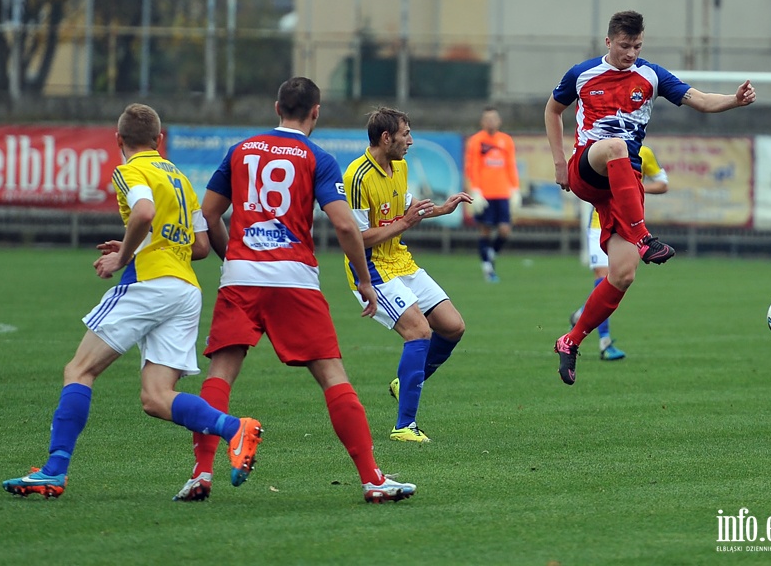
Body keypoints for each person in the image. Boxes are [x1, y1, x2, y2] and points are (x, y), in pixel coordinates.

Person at [174, 78, 416, 504]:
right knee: (331, 377)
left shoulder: (240, 150)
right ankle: (373, 479)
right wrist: (363, 279)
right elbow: (344, 225)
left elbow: (207, 214)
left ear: (276, 107)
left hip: (241, 277)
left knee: (220, 374)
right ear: (316, 112)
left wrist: (230, 258)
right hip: (293, 279)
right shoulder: (315, 157)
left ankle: (201, 472)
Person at [2, 103, 262, 499]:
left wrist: (122, 257)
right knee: (156, 398)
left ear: (118, 140)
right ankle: (235, 429)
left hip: (149, 284)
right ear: (160, 139)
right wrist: (133, 244)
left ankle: (54, 471)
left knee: (79, 370)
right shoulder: (178, 176)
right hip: (185, 290)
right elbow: (201, 245)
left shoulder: (129, 170)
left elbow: (143, 211)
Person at [545, 10, 755, 386]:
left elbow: (701, 100)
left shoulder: (652, 75)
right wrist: (560, 161)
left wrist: (735, 101)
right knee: (614, 147)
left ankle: (570, 340)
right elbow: (553, 109)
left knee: (622, 275)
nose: (630, 53)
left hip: (624, 186)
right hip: (588, 168)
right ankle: (645, 238)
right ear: (608, 42)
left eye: (637, 46)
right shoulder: (582, 73)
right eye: (624, 46)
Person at [343, 107, 472, 443]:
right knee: (418, 331)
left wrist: (440, 209)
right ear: (386, 138)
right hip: (371, 269)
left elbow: (404, 204)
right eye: (406, 134)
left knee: (453, 326)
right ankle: (404, 427)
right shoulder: (357, 177)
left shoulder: (397, 166)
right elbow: (354, 238)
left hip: (400, 261)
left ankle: (406, 381)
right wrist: (404, 224)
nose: (411, 141)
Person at [569, 145, 669, 361]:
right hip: (598, 222)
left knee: (618, 280)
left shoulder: (644, 152)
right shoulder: (601, 147)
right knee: (602, 278)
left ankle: (582, 315)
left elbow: (663, 183)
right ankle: (604, 343)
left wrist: (636, 186)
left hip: (626, 227)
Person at [464, 106, 520, 283]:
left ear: (499, 121)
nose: (491, 122)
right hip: (484, 193)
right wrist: (475, 189)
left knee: (505, 230)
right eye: (487, 119)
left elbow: (511, 165)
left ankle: (490, 254)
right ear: (482, 122)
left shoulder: (506, 140)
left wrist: (515, 188)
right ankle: (487, 268)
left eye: (493, 118)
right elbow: (471, 166)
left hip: (503, 192)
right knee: (485, 230)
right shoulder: (475, 141)